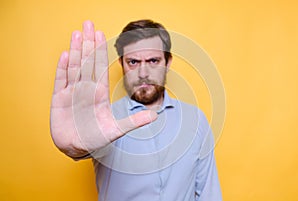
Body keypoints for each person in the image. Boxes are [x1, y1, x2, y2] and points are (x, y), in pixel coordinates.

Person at [50, 19, 222, 201]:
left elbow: (208, 194)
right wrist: (76, 147)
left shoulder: (195, 120)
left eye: (153, 60)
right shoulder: (103, 120)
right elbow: (84, 145)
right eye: (133, 62)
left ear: (168, 62)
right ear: (121, 64)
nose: (143, 73)